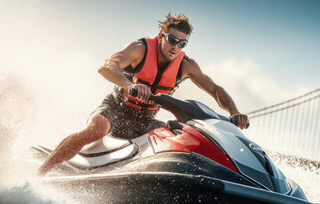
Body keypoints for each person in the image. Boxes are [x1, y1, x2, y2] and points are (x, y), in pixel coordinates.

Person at [38, 13, 249, 175]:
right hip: (116, 109)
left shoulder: (186, 65)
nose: (176, 47)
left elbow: (215, 89)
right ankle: (41, 173)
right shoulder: (140, 49)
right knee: (97, 129)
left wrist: (234, 111)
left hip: (143, 120)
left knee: (185, 136)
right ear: (161, 36)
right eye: (172, 40)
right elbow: (107, 68)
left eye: (182, 43)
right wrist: (130, 84)